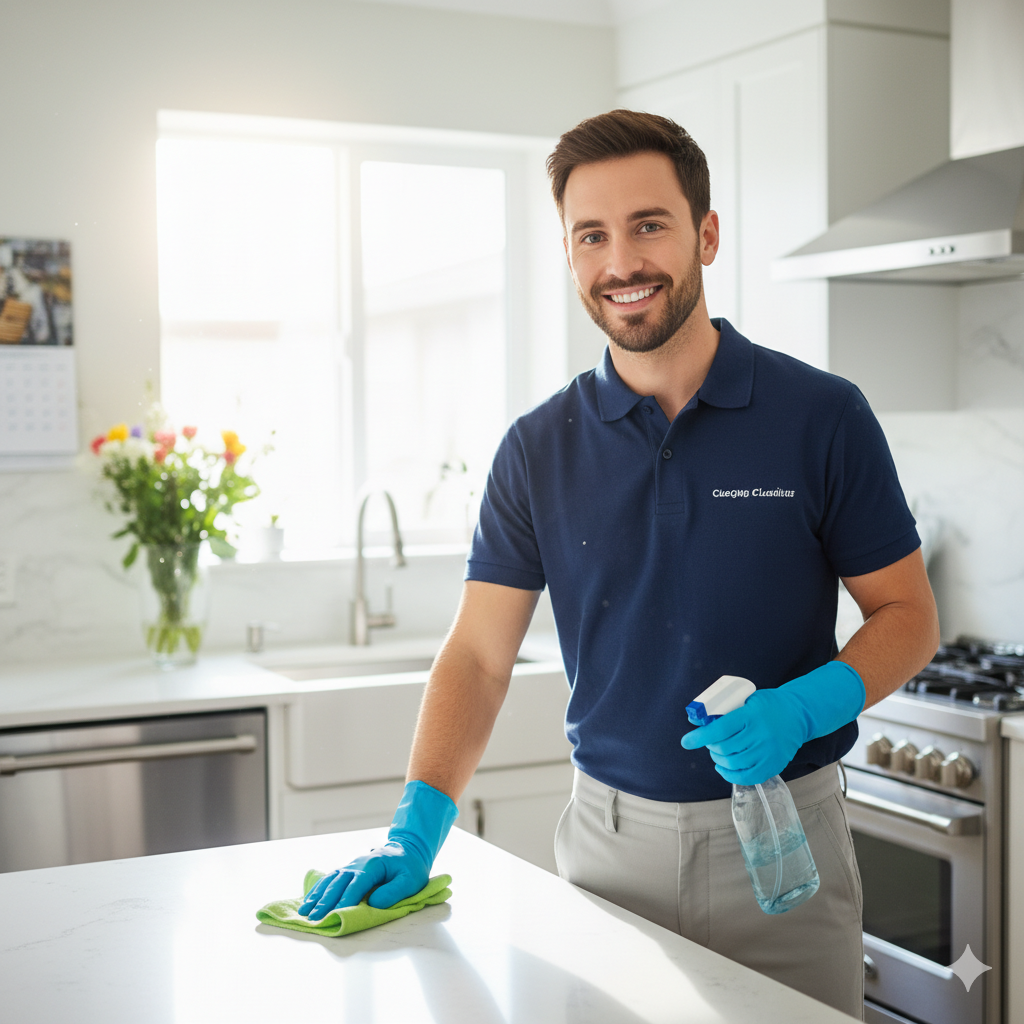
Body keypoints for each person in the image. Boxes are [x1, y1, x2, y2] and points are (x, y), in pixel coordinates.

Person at [299, 110, 939, 1017]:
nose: (621, 263)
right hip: (608, 859)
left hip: (786, 853)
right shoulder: (536, 450)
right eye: (590, 236)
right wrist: (417, 826)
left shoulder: (821, 416)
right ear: (569, 256)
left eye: (648, 225)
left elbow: (908, 615)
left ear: (705, 234)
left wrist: (804, 708)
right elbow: (480, 658)